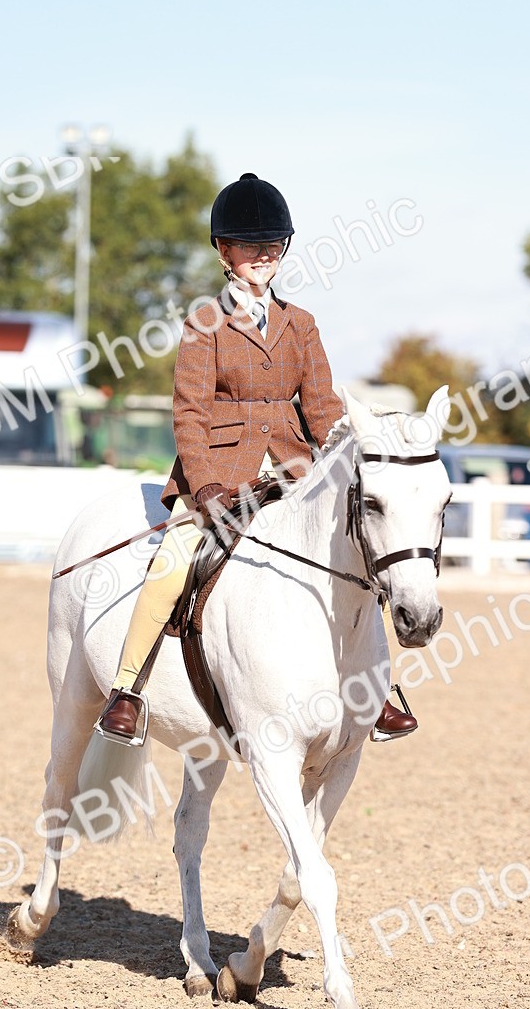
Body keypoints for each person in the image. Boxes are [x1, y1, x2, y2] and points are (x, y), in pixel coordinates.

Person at [96, 173, 416, 743]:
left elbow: (321, 408)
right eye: (250, 246)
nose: (262, 256)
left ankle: (377, 689)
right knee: (175, 555)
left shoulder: (301, 325)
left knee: (358, 551)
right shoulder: (204, 324)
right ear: (224, 251)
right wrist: (204, 488)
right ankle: (128, 690)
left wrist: (346, 448)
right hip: (218, 472)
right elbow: (189, 414)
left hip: (292, 468)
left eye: (271, 246)